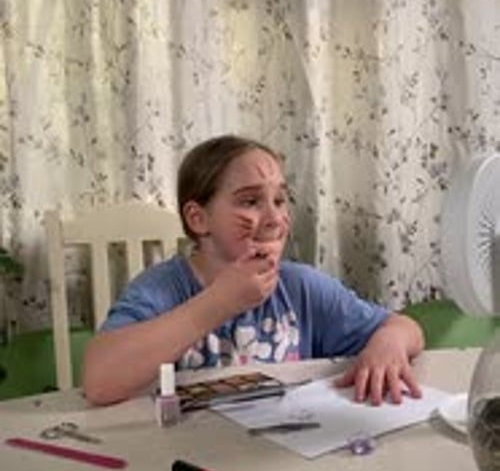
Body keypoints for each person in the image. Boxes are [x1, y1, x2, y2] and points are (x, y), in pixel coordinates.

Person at [82, 134, 424, 406]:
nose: (275, 219)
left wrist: (388, 345)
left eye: (279, 200)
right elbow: (99, 381)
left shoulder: (299, 287)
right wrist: (218, 303)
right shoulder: (162, 288)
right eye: (250, 201)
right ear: (198, 219)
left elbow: (404, 327)